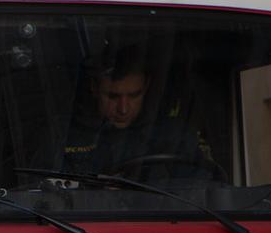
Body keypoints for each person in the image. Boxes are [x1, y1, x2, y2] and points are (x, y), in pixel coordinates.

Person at [62, 46, 210, 178]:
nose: (123, 109)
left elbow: (200, 189)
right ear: (94, 87)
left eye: (134, 95)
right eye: (113, 96)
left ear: (146, 86)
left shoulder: (174, 136)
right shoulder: (65, 135)